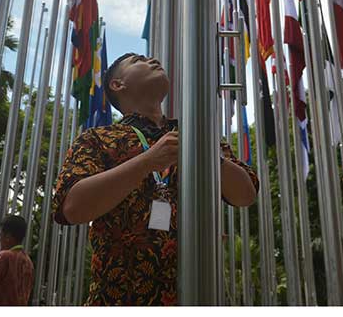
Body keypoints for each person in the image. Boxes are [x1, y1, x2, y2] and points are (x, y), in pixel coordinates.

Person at [51, 52, 259, 306]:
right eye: (138, 60)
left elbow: (246, 194)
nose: (153, 60)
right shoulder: (96, 139)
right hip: (119, 300)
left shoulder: (198, 133)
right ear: (118, 84)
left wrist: (209, 155)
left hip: (198, 298)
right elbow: (72, 208)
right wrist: (147, 161)